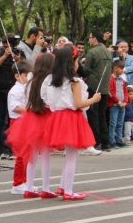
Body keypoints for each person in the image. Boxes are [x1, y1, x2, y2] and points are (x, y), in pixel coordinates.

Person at [41, 47, 99, 200]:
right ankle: (68, 191)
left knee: (70, 155)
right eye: (77, 61)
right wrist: (94, 99)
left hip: (57, 116)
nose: (78, 64)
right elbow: (79, 103)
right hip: (71, 118)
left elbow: (46, 99)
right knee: (72, 155)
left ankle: (63, 187)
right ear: (71, 62)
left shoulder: (52, 80)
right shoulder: (74, 81)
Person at [6, 53, 54, 196]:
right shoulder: (48, 81)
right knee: (45, 155)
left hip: (31, 116)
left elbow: (28, 101)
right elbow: (48, 100)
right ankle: (45, 188)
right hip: (44, 116)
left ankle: (28, 187)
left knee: (31, 155)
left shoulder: (31, 81)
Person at [0, 34, 22, 159]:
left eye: (8, 46)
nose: (6, 48)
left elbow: (23, 68)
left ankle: (8, 146)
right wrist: (4, 55)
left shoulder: (18, 52)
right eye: (4, 46)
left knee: (11, 120)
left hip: (11, 90)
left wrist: (18, 59)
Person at [83, 30, 113, 150]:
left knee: (93, 115)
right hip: (104, 88)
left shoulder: (92, 52)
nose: (89, 40)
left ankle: (96, 141)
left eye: (90, 37)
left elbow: (86, 71)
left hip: (93, 87)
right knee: (102, 115)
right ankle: (105, 142)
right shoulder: (108, 52)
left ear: (94, 38)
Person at [6, 59, 33, 191]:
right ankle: (17, 183)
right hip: (18, 123)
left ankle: (25, 180)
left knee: (27, 154)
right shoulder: (15, 90)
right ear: (17, 76)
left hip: (26, 122)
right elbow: (15, 107)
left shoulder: (26, 88)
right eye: (26, 75)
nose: (28, 78)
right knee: (21, 155)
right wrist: (30, 110)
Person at [107, 60, 129, 148]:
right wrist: (118, 102)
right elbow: (110, 92)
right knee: (113, 123)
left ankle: (119, 140)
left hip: (122, 105)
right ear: (115, 69)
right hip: (114, 105)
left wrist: (125, 101)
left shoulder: (122, 80)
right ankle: (112, 140)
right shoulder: (111, 79)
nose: (122, 70)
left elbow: (125, 91)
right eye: (121, 68)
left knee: (120, 123)